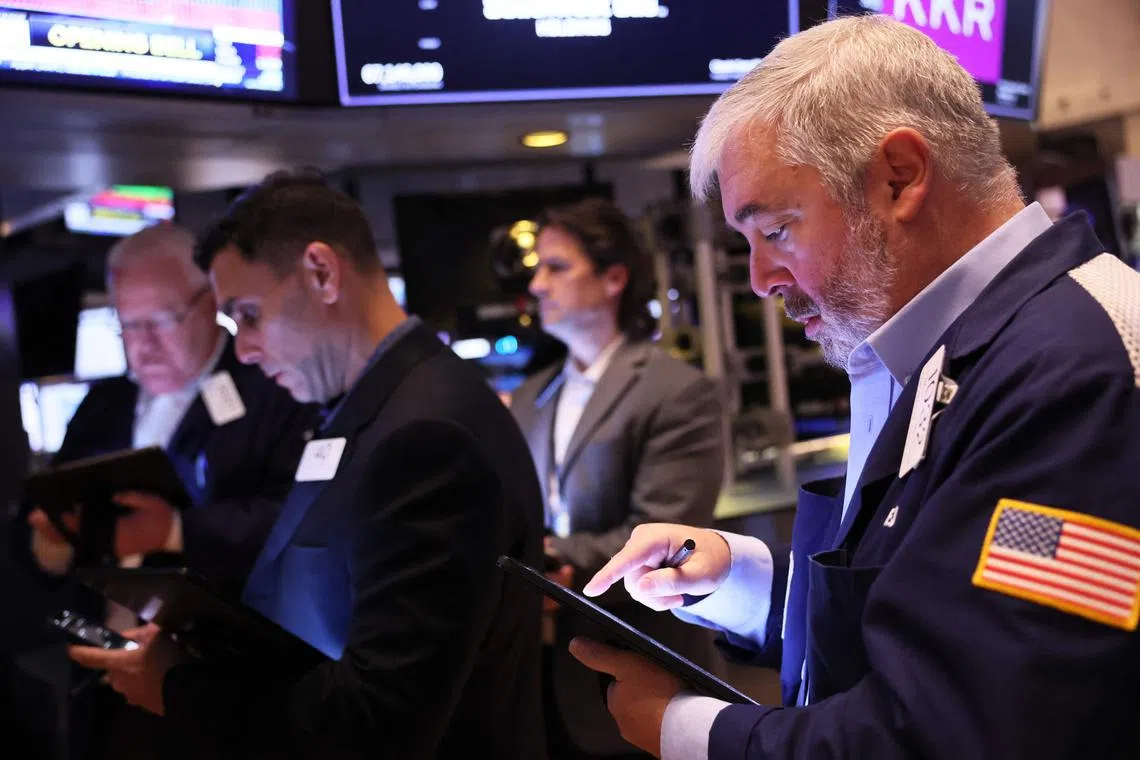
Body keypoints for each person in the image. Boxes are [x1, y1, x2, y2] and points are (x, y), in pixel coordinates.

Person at [569, 15, 1140, 760]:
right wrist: (742, 579)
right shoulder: (950, 342)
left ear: (899, 177)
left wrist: (682, 729)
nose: (760, 279)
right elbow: (946, 606)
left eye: (775, 230)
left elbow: (960, 729)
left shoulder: (1072, 369)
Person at [70, 170, 548, 760]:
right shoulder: (371, 407)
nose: (241, 349)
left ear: (322, 273)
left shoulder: (426, 435)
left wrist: (179, 685)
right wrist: (200, 646)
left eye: (247, 314)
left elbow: (377, 720)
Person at [15, 223, 316, 760]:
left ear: (209, 304)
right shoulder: (102, 405)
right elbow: (45, 526)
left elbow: (298, 523)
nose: (142, 344)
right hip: (104, 672)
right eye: (126, 325)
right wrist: (50, 546)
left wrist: (179, 530)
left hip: (216, 686)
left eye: (160, 320)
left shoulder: (272, 388)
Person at [510, 197, 724, 759]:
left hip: (645, 662)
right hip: (543, 673)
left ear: (614, 278)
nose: (537, 284)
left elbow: (665, 532)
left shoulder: (676, 390)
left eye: (556, 267)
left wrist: (546, 556)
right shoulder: (532, 396)